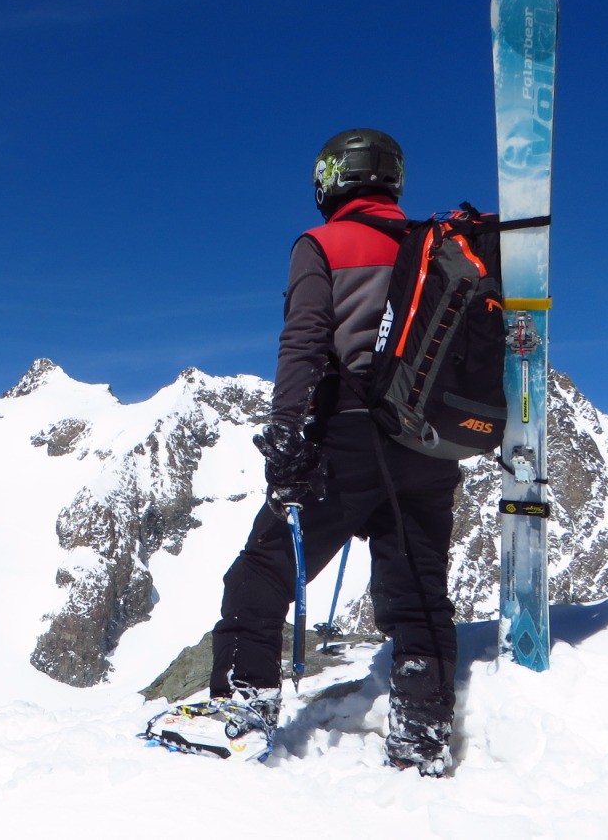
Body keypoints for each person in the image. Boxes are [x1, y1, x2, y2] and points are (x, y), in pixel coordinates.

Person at [184, 129, 464, 775]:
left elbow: (305, 341)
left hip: (347, 438)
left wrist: (286, 437)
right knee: (419, 591)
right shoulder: (437, 246)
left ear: (332, 178)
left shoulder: (323, 245)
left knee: (261, 573)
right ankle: (421, 738)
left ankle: (243, 711)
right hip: (427, 445)